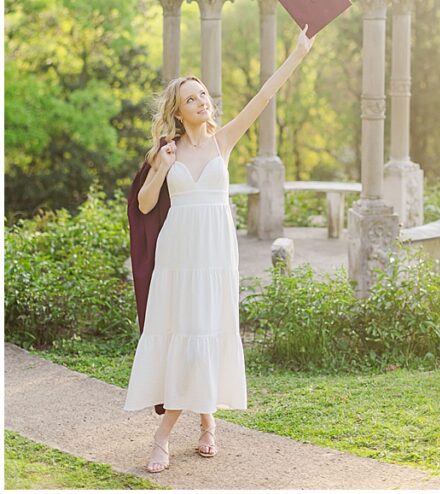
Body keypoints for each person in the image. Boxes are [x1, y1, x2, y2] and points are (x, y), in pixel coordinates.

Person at [124, 24, 315, 473]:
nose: (202, 100)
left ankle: (205, 426)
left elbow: (264, 97)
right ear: (178, 110)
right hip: (179, 252)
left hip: (214, 253)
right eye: (192, 98)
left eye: (204, 94)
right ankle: (166, 435)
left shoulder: (221, 140)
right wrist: (160, 169)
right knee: (184, 330)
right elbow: (146, 204)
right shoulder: (164, 151)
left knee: (206, 328)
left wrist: (297, 53)